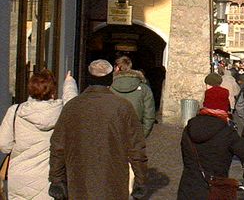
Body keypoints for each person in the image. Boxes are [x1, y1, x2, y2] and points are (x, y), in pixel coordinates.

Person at [49, 59, 147, 200]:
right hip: (112, 181)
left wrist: (57, 179)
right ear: (110, 79)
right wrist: (140, 180)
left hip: (79, 180)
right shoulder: (122, 107)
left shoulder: (72, 107)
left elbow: (58, 146)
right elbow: (137, 148)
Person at [0, 70, 77, 199]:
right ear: (53, 91)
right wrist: (69, 84)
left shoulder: (16, 111)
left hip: (19, 178)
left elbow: (4, 145)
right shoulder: (62, 112)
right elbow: (73, 106)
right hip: (49, 178)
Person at [110, 55, 156, 138]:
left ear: (116, 68)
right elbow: (149, 114)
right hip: (135, 131)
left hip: (113, 132)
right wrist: (143, 134)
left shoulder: (109, 88)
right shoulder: (144, 88)